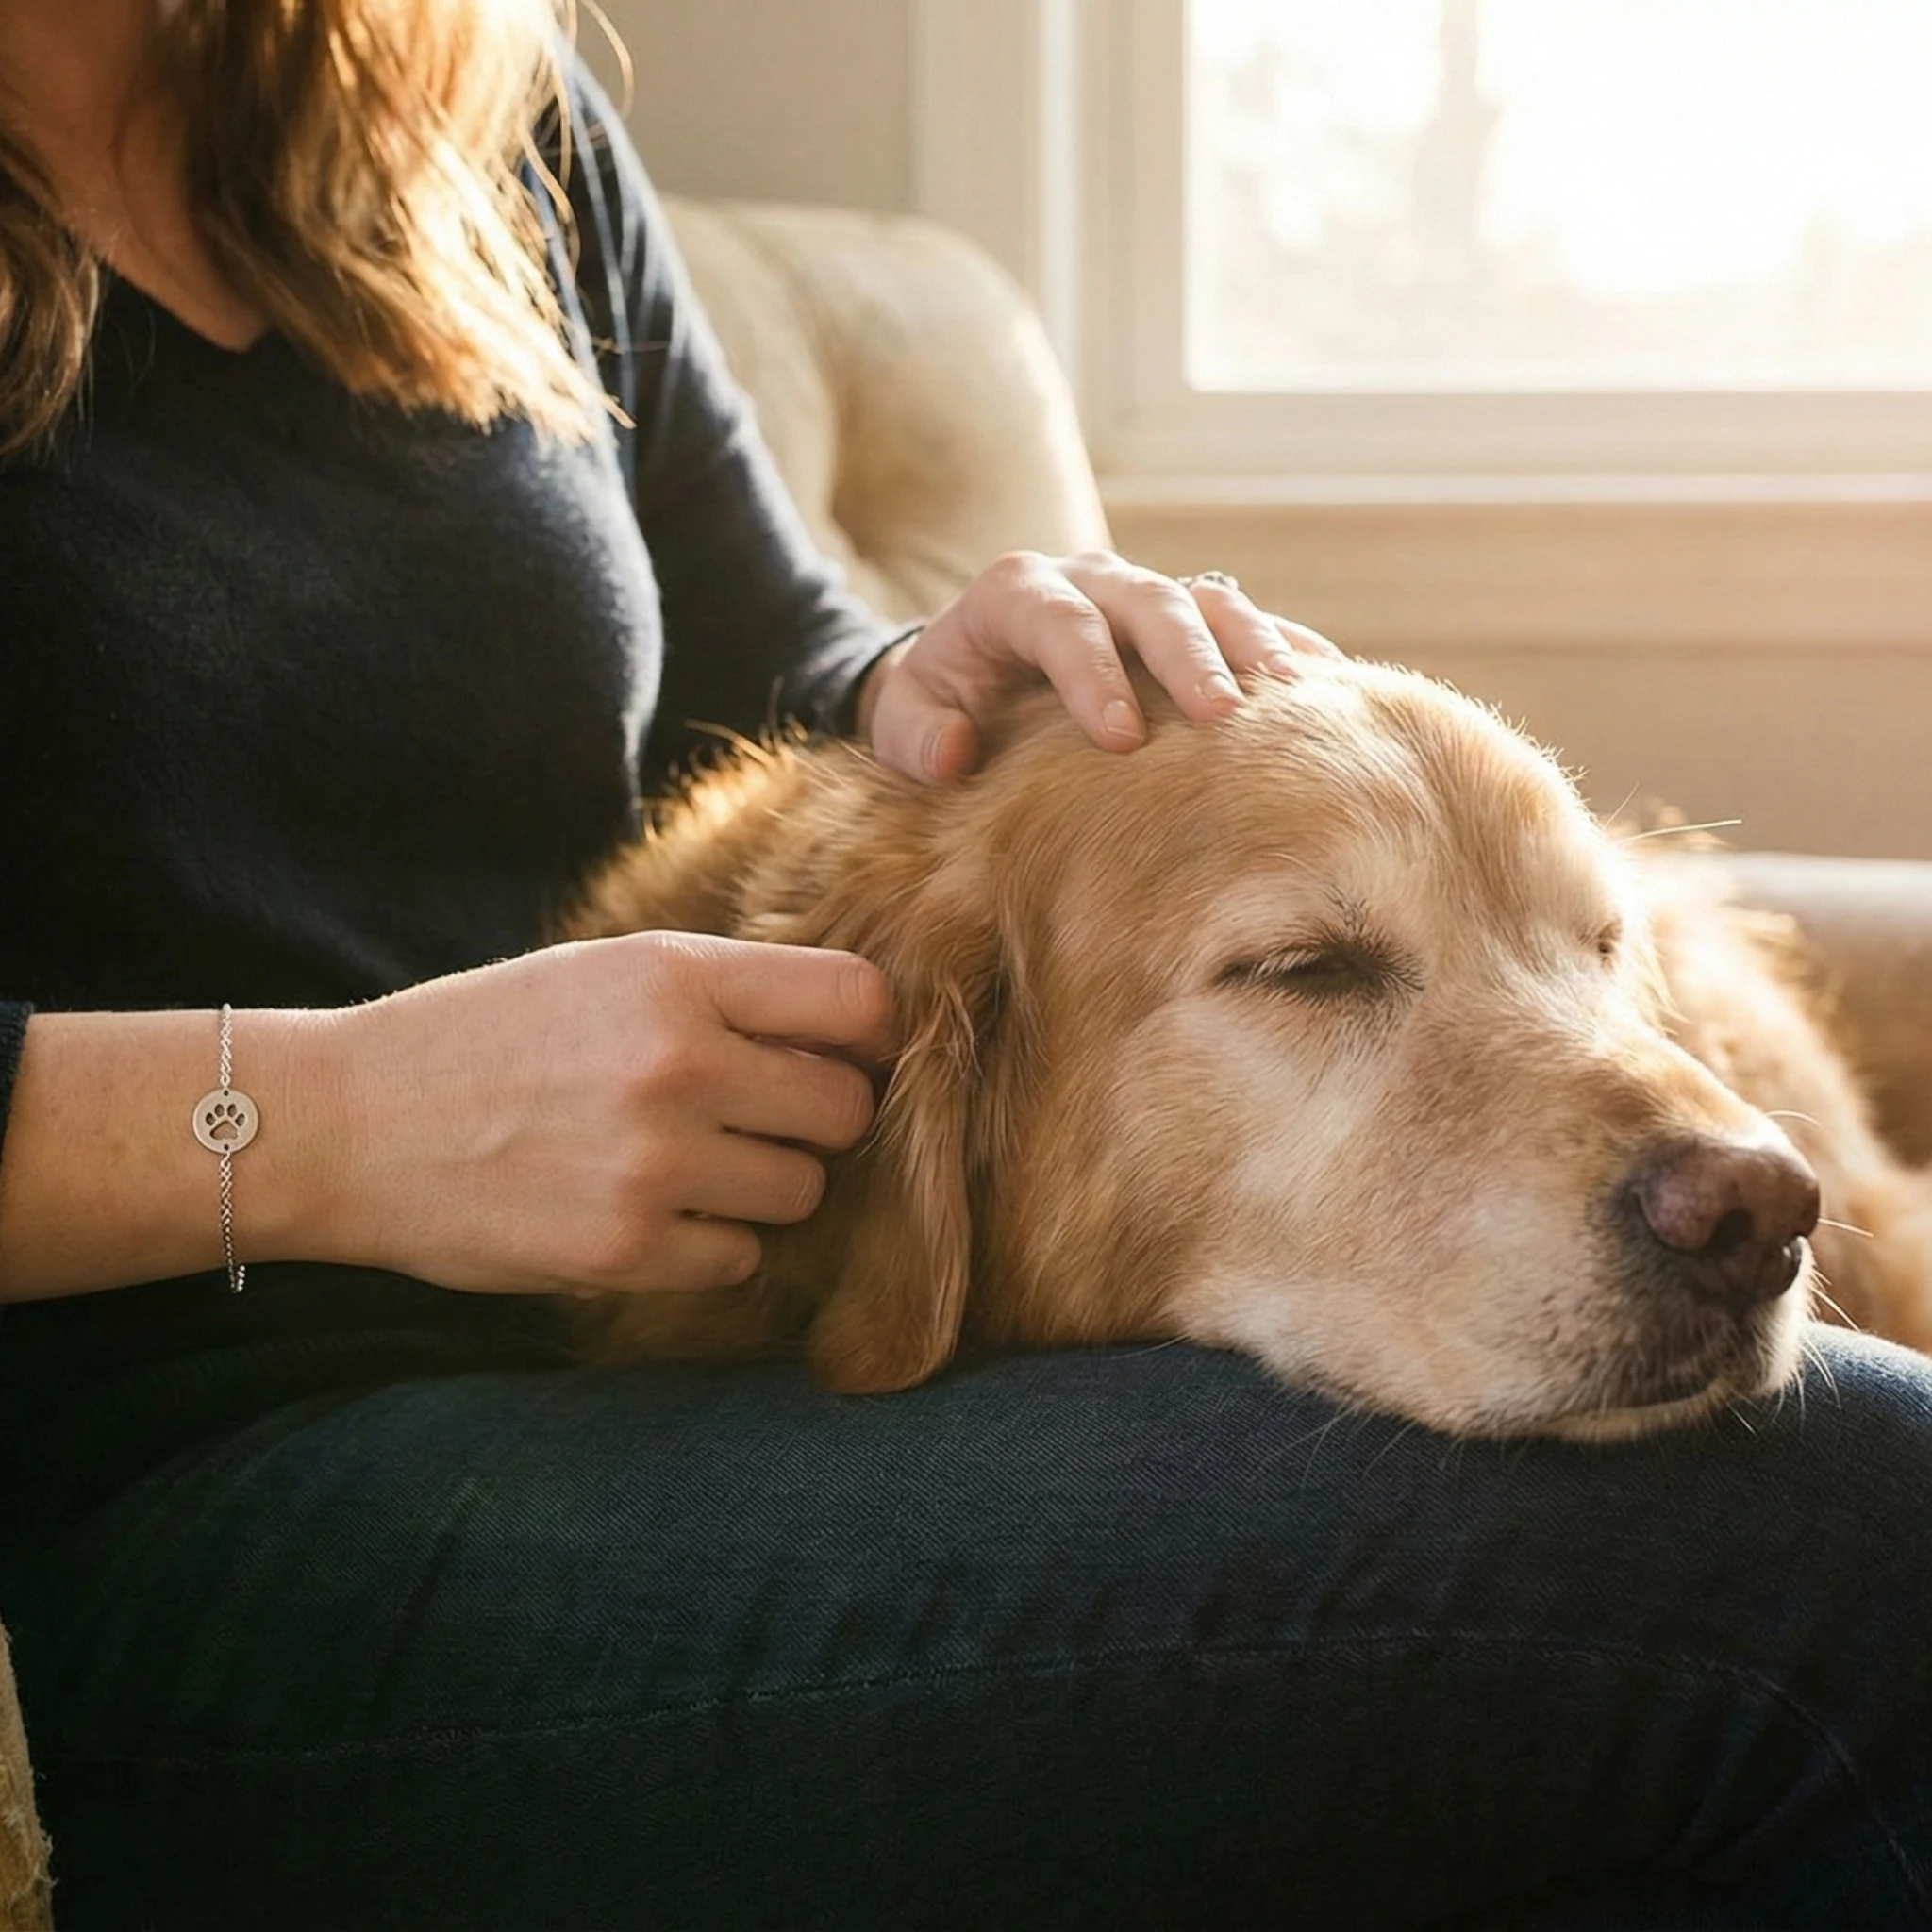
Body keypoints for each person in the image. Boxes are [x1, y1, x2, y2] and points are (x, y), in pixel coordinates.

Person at [0, 4, 1926, 1926]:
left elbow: (764, 627)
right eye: (1315, 971)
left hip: (647, 1354)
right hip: (180, 1499)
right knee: (1854, 1529)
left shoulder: (451, 93)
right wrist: (336, 1123)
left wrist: (955, 674)